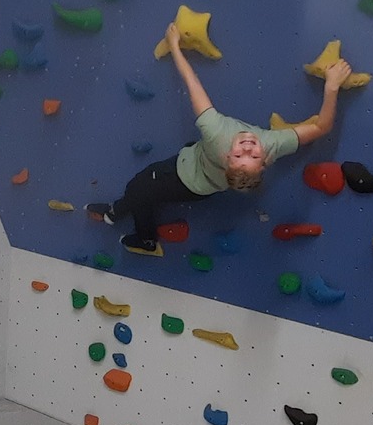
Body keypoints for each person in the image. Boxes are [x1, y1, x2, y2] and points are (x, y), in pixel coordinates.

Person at [88, 21, 353, 254]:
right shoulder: (273, 144)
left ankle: (143, 237)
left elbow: (192, 84)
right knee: (145, 192)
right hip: (203, 184)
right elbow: (322, 127)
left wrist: (175, 45)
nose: (248, 146)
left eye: (239, 154)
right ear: (265, 161)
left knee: (139, 187)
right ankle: (115, 213)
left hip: (183, 178)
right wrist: (331, 88)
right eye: (253, 155)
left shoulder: (216, 134)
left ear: (227, 155)